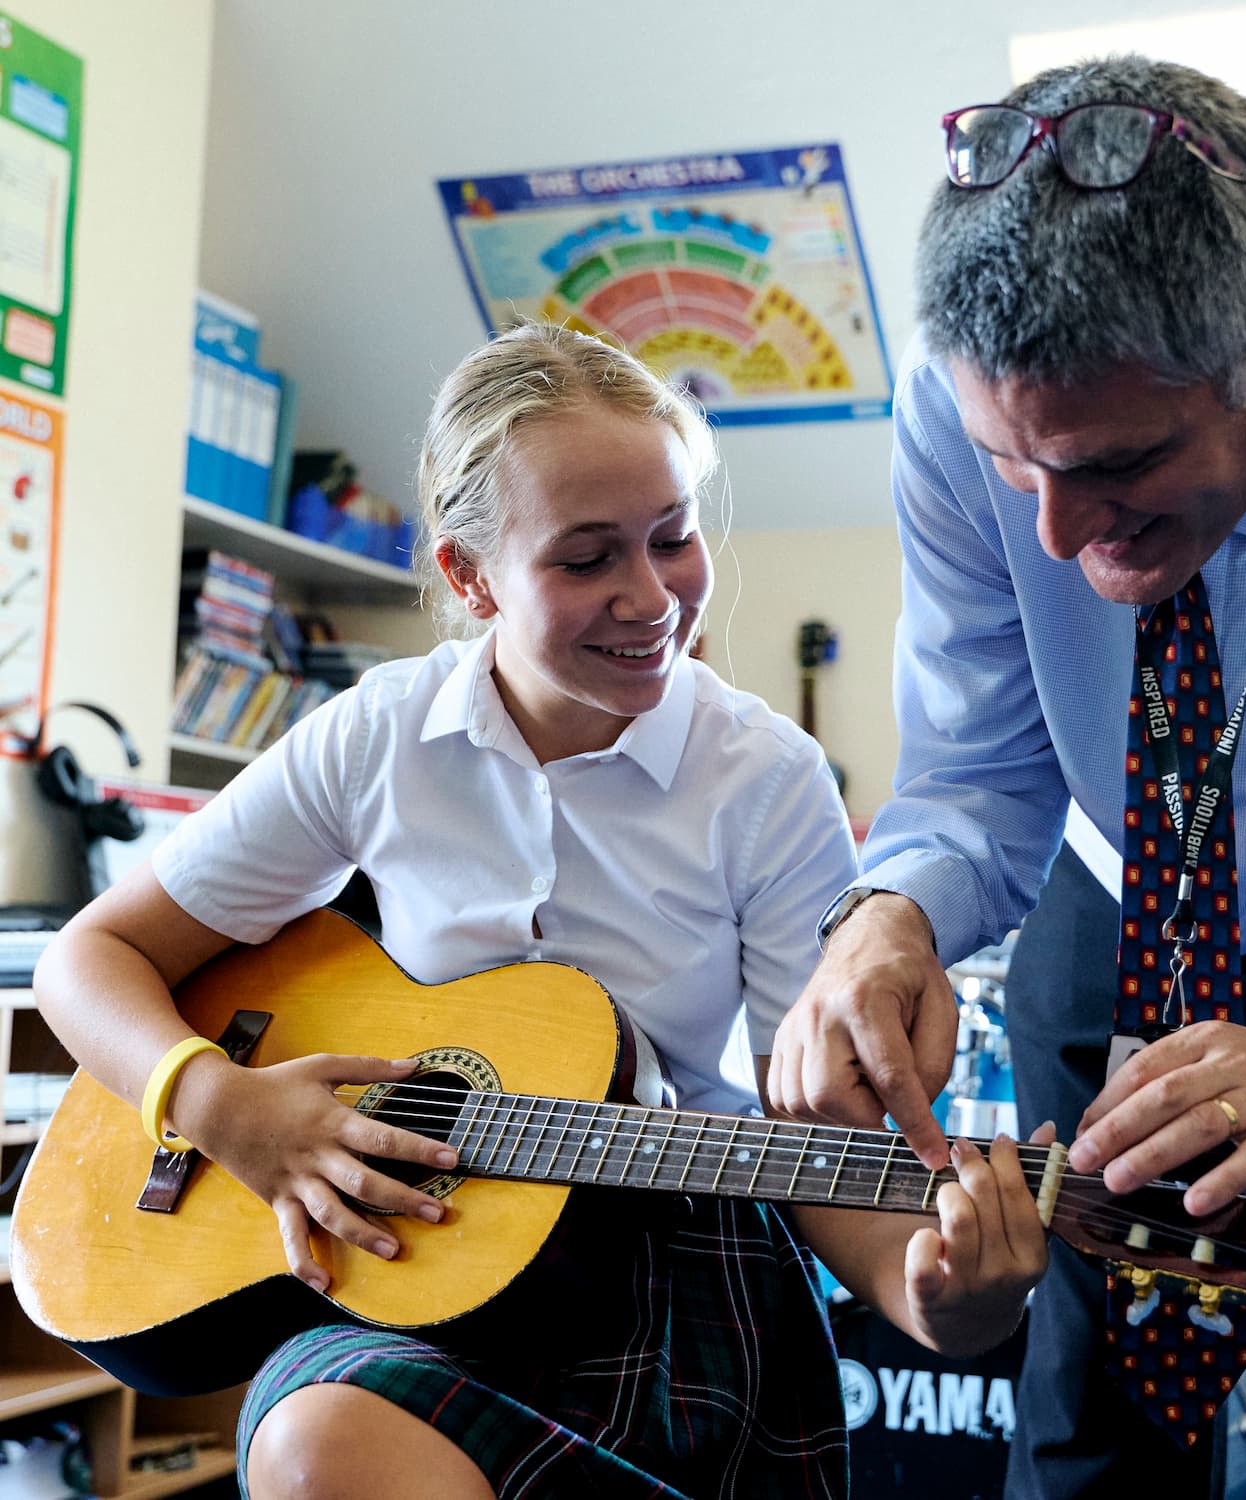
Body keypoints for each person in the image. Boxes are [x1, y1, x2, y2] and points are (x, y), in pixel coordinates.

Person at [32, 324, 1048, 1500]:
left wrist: (946, 1299)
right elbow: (88, 959)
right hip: (409, 1267)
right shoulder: (375, 737)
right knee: (316, 1446)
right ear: (470, 576)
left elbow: (823, 1139)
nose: (650, 595)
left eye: (673, 537)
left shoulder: (765, 778)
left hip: (674, 1269)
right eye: (586, 558)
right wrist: (218, 1103)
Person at [768, 53, 1246, 1499]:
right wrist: (889, 916)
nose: (1054, 538)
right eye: (1014, 467)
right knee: (1087, 1423)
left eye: (1116, 464)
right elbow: (981, 768)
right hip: (1121, 895)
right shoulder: (958, 390)